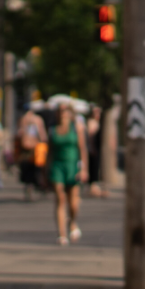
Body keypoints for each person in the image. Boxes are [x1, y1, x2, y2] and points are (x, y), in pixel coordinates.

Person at [48, 101, 89, 245]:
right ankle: (62, 234)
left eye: (65, 110)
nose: (62, 113)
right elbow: (50, 151)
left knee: (73, 203)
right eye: (60, 110)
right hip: (57, 165)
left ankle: (72, 222)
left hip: (72, 165)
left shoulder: (76, 127)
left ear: (70, 113)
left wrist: (84, 168)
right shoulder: (52, 129)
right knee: (60, 197)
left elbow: (82, 148)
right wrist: (45, 170)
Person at [15, 101, 47, 201]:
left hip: (25, 147)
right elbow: (42, 134)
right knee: (35, 168)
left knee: (26, 168)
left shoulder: (23, 119)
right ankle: (34, 186)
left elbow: (19, 134)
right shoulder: (37, 119)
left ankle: (29, 187)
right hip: (35, 146)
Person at [86, 105, 107, 197]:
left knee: (95, 167)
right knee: (93, 168)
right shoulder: (91, 122)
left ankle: (94, 188)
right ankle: (93, 188)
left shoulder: (97, 122)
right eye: (96, 112)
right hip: (93, 149)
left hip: (96, 148)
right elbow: (90, 136)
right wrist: (92, 148)